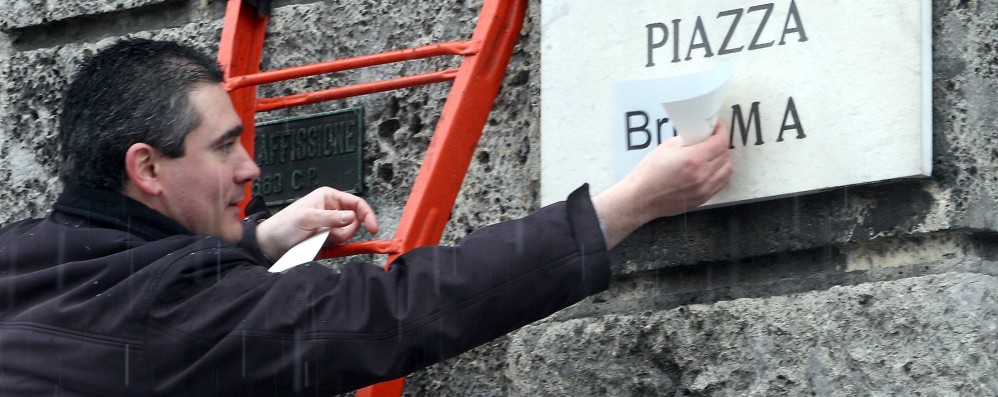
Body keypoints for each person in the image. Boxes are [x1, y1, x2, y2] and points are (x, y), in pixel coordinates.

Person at [0, 38, 731, 396]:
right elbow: (400, 306)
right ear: (146, 168)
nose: (251, 169)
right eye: (224, 146)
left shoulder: (25, 253)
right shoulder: (182, 316)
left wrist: (254, 240)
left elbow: (125, 288)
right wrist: (626, 205)